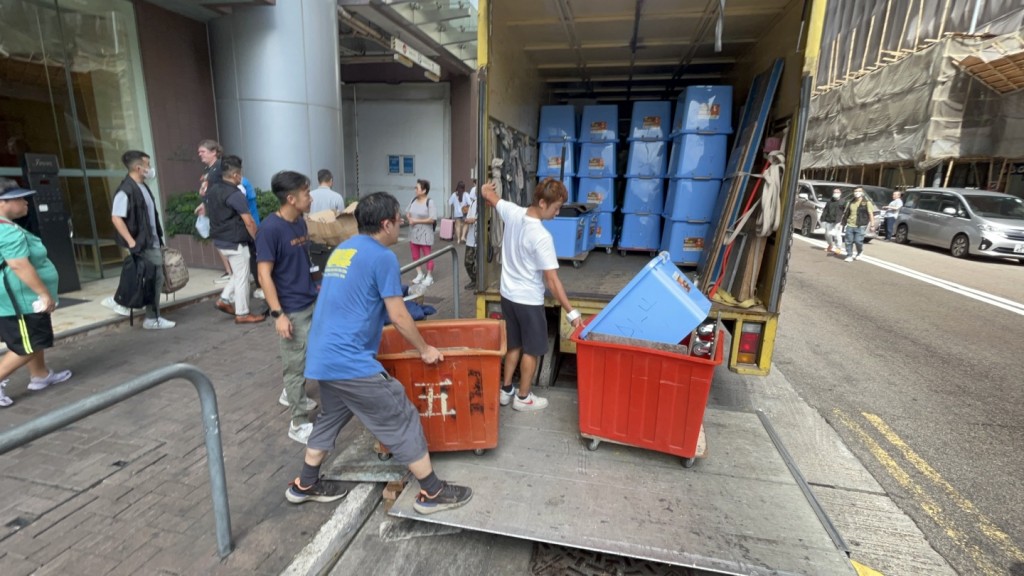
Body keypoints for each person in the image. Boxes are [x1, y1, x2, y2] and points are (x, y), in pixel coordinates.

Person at [287, 191, 473, 515]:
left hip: (322, 354)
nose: (400, 225)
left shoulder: (343, 249)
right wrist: (425, 349)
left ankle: (305, 483)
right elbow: (399, 316)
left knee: (332, 416)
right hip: (349, 360)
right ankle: (432, 492)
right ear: (386, 223)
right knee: (401, 415)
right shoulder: (383, 257)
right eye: (399, 220)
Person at [480, 178, 582, 411]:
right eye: (556, 208)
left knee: (514, 344)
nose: (557, 214)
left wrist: (486, 189)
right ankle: (523, 398)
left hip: (508, 296)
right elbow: (553, 282)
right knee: (533, 350)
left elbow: (490, 197)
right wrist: (572, 312)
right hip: (528, 301)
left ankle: (506, 391)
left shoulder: (512, 212)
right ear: (543, 203)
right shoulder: (542, 237)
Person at [257, 171, 321, 444]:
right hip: (291, 309)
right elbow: (263, 275)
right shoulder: (270, 229)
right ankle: (298, 422)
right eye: (306, 193)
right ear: (291, 198)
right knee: (294, 367)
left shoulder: (300, 222)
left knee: (310, 356)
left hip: (309, 300)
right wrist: (278, 314)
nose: (311, 197)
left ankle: (294, 395)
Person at [0, 180, 73, 407]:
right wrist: (44, 294)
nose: (26, 203)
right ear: (2, 203)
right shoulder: (7, 231)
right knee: (29, 343)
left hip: (21, 297)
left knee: (34, 337)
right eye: (20, 198)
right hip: (20, 299)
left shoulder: (8, 226)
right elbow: (20, 266)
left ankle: (40, 375)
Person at [109, 151, 176, 329]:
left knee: (152, 278)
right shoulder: (126, 190)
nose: (150, 168)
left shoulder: (142, 187)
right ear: (138, 168)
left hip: (151, 241)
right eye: (147, 165)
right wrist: (131, 242)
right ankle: (151, 318)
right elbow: (116, 218)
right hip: (142, 243)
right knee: (155, 278)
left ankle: (133, 307)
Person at [205, 155, 264, 324]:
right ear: (236, 175)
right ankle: (243, 313)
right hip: (235, 241)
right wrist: (259, 241)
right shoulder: (235, 194)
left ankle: (224, 299)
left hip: (220, 240)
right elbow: (249, 221)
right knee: (243, 278)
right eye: (241, 174)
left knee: (239, 273)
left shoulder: (213, 190)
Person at [197, 139, 231, 284]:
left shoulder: (220, 167)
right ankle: (229, 271)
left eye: (203, 152)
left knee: (223, 240)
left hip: (221, 211)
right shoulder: (208, 170)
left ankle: (231, 271)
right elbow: (207, 189)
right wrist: (204, 203)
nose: (200, 155)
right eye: (199, 152)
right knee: (218, 240)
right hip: (211, 209)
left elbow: (225, 188)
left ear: (213, 152)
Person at [405, 179, 437, 286]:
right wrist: (409, 217)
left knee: (427, 255)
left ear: (424, 191)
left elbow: (432, 219)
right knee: (415, 255)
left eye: (417, 188)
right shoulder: (413, 200)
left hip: (425, 233)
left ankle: (429, 276)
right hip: (413, 233)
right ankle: (419, 274)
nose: (415, 190)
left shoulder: (430, 202)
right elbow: (408, 211)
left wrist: (416, 221)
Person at [842, 187, 876, 262]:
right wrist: (843, 223)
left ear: (862, 192)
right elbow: (846, 212)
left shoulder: (867, 202)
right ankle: (849, 255)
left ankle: (860, 252)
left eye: (859, 191)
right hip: (850, 224)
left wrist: (872, 225)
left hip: (861, 225)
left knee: (858, 241)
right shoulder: (850, 202)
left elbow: (870, 214)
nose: (857, 192)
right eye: (855, 191)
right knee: (848, 241)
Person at [819, 188, 846, 256]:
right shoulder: (829, 202)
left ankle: (838, 248)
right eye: (834, 192)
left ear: (840, 193)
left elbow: (845, 212)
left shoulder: (843, 202)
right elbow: (825, 211)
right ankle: (830, 245)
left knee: (837, 235)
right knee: (827, 234)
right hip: (829, 220)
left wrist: (843, 221)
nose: (836, 193)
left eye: (837, 192)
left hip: (838, 221)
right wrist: (823, 218)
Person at [463, 189, 479, 290]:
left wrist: (474, 220)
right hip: (471, 238)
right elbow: (469, 217)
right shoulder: (473, 203)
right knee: (468, 262)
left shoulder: (483, 204)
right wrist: (469, 220)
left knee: (479, 262)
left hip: (480, 238)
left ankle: (478, 281)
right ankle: (474, 280)